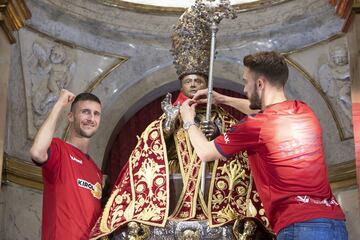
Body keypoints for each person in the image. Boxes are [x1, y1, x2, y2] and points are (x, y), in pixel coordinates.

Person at [90, 3, 269, 239]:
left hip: (212, 177)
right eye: (188, 80)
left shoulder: (221, 114)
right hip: (176, 176)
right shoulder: (171, 111)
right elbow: (153, 145)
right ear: (181, 84)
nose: (193, 84)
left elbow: (233, 141)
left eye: (198, 80)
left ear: (207, 82)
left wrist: (216, 130)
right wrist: (168, 125)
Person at [180, 51, 348, 240]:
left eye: (246, 82)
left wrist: (187, 120)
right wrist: (223, 99)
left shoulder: (255, 125)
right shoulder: (304, 110)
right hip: (334, 223)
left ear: (260, 84)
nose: (244, 89)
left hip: (298, 226)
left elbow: (205, 152)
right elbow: (265, 109)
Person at [30, 89, 103, 240]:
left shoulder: (96, 170)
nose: (91, 118)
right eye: (85, 112)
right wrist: (59, 104)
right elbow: (37, 152)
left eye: (96, 114)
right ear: (71, 116)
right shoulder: (59, 149)